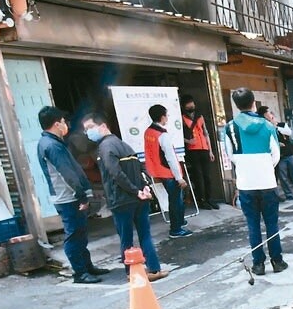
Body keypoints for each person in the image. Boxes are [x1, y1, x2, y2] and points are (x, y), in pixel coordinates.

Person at [83, 112, 168, 282]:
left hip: (122, 200)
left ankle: (131, 273)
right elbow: (141, 169)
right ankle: (154, 269)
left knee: (126, 238)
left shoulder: (106, 148)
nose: (87, 133)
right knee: (145, 235)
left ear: (103, 126)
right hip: (139, 199)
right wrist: (144, 189)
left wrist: (135, 191)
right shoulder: (124, 145)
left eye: (89, 128)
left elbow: (116, 174)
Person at [37, 106, 110, 283]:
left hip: (69, 196)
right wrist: (82, 196)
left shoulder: (53, 142)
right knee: (74, 235)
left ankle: (87, 267)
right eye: (63, 121)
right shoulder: (52, 146)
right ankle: (80, 273)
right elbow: (67, 174)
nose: (65, 124)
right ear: (56, 124)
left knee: (80, 233)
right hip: (68, 198)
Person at [227, 88, 287, 276]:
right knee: (272, 224)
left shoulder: (229, 127)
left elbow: (231, 156)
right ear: (254, 103)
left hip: (245, 184)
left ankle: (258, 264)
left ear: (236, 105)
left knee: (253, 225)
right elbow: (276, 155)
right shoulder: (268, 126)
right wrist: (264, 167)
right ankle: (277, 261)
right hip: (267, 182)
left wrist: (246, 167)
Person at [143, 104, 191, 238]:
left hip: (157, 170)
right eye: (167, 115)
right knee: (176, 201)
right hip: (168, 173)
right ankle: (176, 229)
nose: (167, 117)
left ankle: (180, 221)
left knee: (176, 199)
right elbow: (170, 158)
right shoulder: (162, 135)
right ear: (162, 117)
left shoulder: (148, 132)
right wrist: (179, 177)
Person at [262, 107, 293, 200]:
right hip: (280, 156)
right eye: (269, 118)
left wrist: (277, 127)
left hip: (289, 153)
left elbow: (289, 132)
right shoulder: (267, 128)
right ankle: (288, 194)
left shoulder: (282, 125)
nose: (271, 119)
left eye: (272, 117)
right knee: (283, 177)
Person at [180, 94, 218, 209]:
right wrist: (188, 141)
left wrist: (210, 151)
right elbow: (177, 135)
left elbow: (206, 133)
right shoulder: (181, 118)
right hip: (193, 150)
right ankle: (201, 200)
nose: (191, 105)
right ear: (184, 106)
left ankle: (209, 199)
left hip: (204, 149)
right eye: (188, 104)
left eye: (192, 103)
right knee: (198, 177)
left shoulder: (200, 116)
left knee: (207, 176)